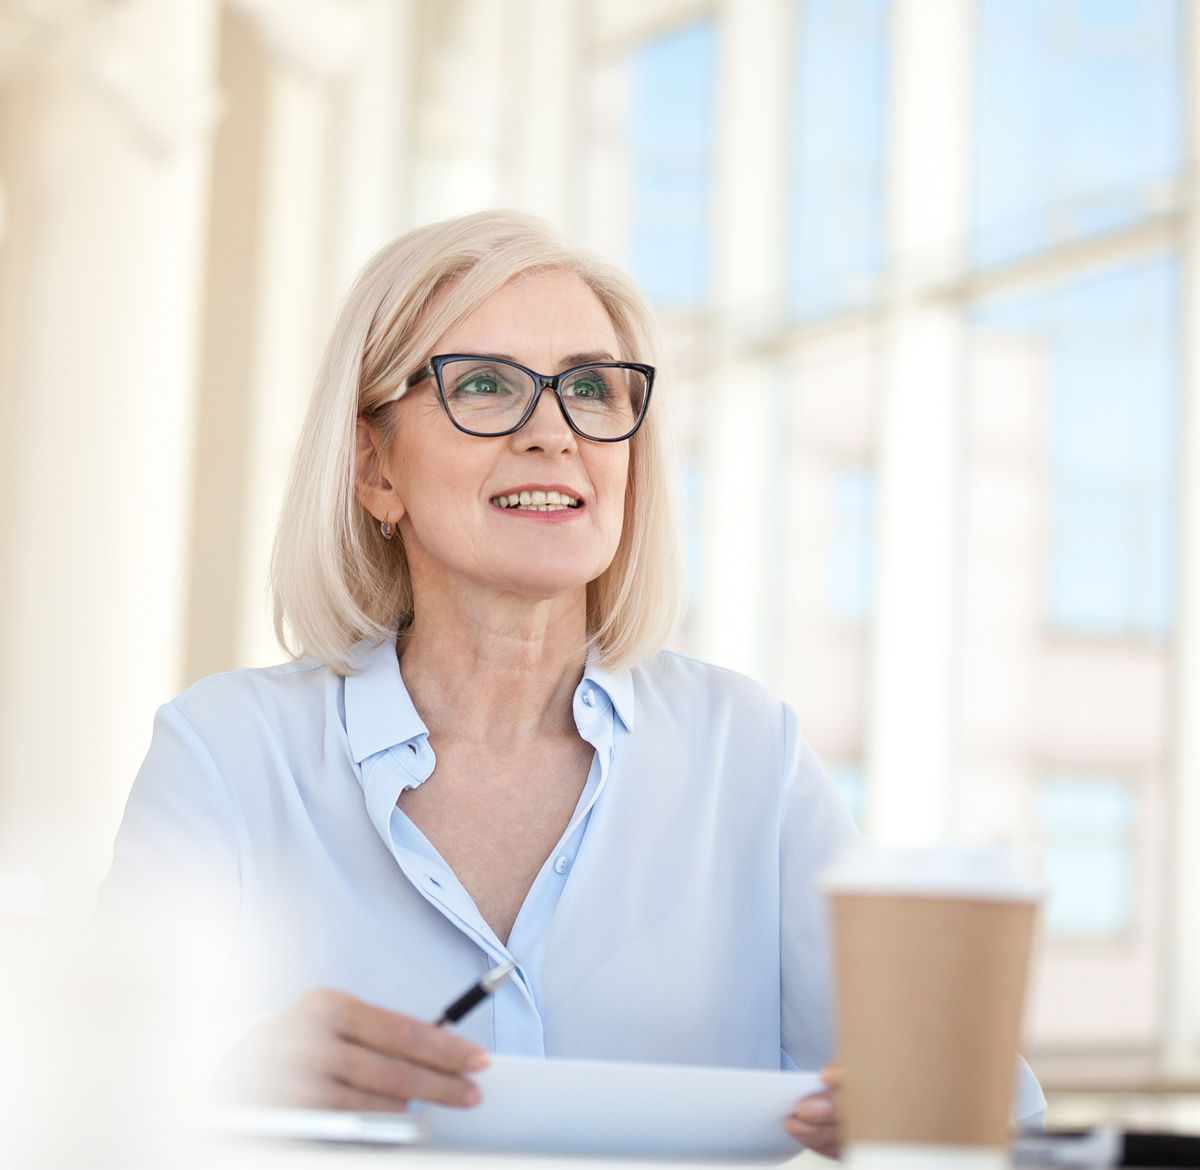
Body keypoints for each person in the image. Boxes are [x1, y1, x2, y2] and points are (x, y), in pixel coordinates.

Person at [103, 210, 1042, 1159]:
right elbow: (89, 1103)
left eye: (591, 390)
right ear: (374, 467)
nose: (553, 434)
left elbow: (987, 1116)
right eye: (483, 385)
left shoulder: (746, 752)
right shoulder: (224, 752)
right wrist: (230, 1074)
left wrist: (916, 1113)